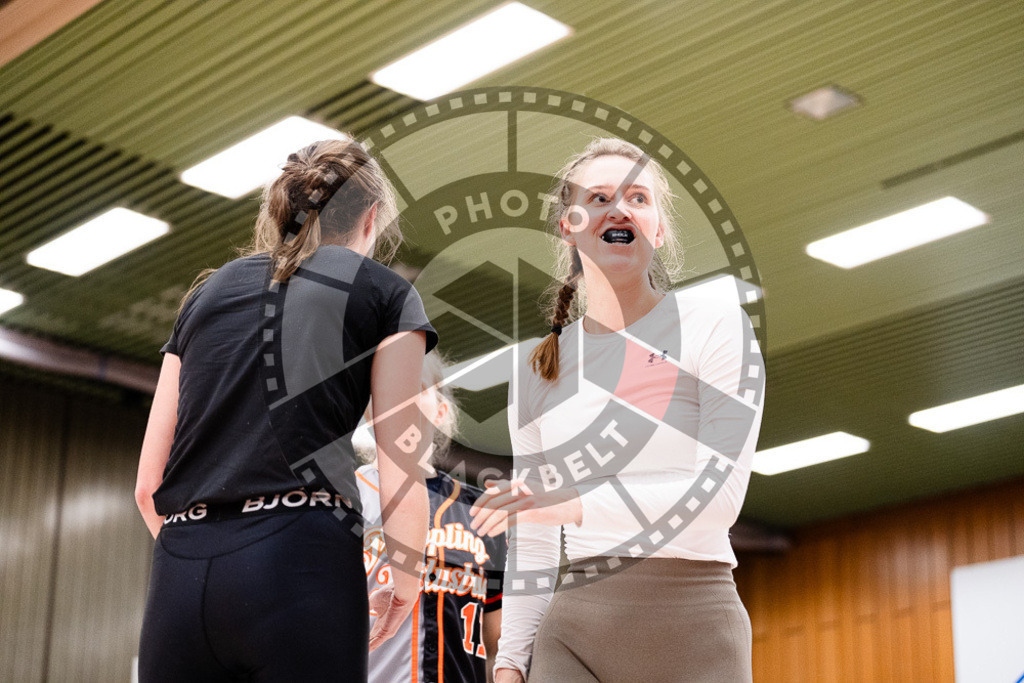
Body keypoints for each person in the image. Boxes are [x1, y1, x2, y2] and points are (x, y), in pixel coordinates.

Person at [134, 137, 438, 681]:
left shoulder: (206, 294)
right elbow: (399, 467)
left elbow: (147, 483)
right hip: (299, 558)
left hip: (181, 567)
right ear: (371, 219)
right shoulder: (385, 292)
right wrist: (405, 579)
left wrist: (206, 552)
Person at [469, 137, 766, 682]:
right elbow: (533, 538)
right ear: (569, 225)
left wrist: (572, 502)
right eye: (600, 197)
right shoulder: (538, 368)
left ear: (659, 228)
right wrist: (510, 663)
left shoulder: (717, 326)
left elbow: (717, 498)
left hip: (696, 630)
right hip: (574, 636)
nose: (619, 209)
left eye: (638, 197)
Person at [356, 350, 507, 683]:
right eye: (389, 389)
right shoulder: (344, 499)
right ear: (369, 410)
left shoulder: (481, 511)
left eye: (415, 388)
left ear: (440, 411)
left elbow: (500, 638)